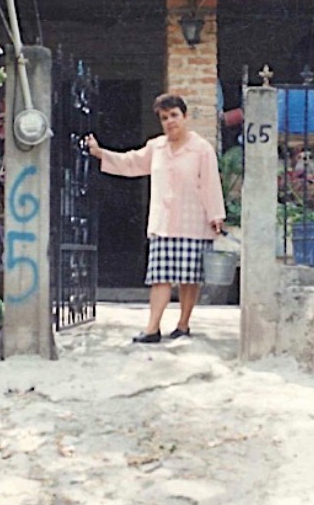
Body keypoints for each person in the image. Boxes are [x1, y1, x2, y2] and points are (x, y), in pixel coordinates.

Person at [85, 93, 226, 343]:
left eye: (174, 115)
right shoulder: (156, 147)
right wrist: (101, 154)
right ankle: (152, 328)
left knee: (189, 278)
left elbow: (210, 184)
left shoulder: (201, 149)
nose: (170, 121)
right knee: (159, 277)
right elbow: (131, 162)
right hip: (163, 222)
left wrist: (216, 215)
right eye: (164, 117)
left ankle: (183, 324)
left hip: (194, 221)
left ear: (185, 117)